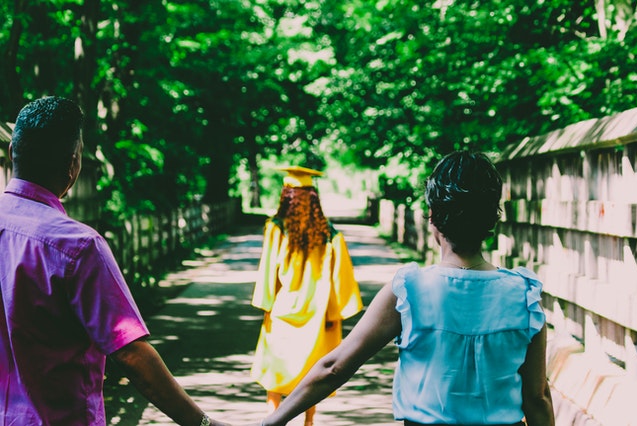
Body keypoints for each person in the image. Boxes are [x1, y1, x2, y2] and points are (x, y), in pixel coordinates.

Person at [252, 151, 555, 426]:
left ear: (432, 217)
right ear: (493, 217)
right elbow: (537, 397)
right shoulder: (524, 295)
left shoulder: (410, 290)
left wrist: (273, 421)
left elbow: (334, 368)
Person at [0, 96, 229, 426]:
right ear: (73, 163)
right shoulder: (77, 246)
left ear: (12, 154)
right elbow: (131, 353)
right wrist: (203, 423)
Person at [250, 165, 363, 426]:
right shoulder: (329, 234)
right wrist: (334, 314)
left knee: (275, 374)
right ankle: (308, 421)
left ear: (285, 196)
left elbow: (268, 274)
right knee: (312, 373)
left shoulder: (277, 228)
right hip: (317, 314)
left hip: (282, 312)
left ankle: (272, 418)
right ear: (314, 198)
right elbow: (339, 278)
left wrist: (266, 304)